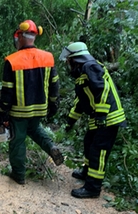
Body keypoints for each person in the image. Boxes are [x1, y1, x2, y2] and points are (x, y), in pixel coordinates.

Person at [0, 19, 64, 185]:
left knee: (17, 140)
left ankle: (19, 174)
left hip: (19, 111)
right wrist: (54, 104)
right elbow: (55, 85)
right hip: (40, 108)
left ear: (19, 37)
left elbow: (7, 91)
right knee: (34, 129)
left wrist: (2, 113)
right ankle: (51, 147)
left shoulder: (12, 60)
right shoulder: (48, 57)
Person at [59, 42, 126, 198]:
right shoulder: (83, 73)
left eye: (69, 59)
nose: (68, 63)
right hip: (99, 119)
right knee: (88, 143)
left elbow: (103, 90)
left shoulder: (91, 67)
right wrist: (70, 122)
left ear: (76, 58)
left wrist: (102, 115)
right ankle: (87, 173)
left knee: (98, 151)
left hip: (108, 118)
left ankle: (93, 188)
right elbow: (80, 103)